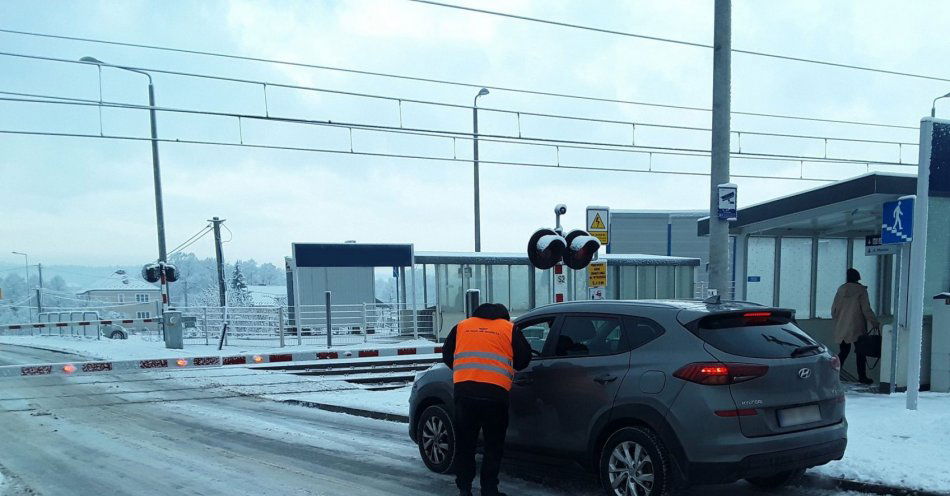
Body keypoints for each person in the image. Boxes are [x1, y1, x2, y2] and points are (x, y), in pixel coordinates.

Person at [442, 303, 532, 496]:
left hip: (465, 395)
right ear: (504, 316)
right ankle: (489, 489)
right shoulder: (508, 328)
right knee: (493, 445)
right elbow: (524, 358)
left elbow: (447, 355)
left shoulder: (462, 326)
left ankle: (464, 489)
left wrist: (465, 371)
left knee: (465, 445)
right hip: (495, 396)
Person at [831, 268, 881, 385]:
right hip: (856, 326)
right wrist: (874, 322)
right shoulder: (861, 290)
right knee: (860, 352)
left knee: (843, 351)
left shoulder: (840, 290)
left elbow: (834, 310)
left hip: (842, 326)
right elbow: (866, 309)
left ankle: (834, 375)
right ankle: (862, 377)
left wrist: (840, 320)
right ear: (858, 277)